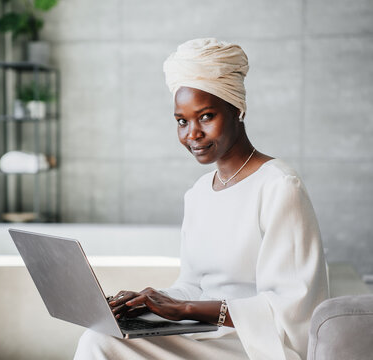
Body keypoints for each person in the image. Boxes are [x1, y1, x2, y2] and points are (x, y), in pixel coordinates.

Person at [74, 38, 329, 360]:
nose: (192, 133)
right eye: (182, 121)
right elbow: (193, 285)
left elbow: (294, 308)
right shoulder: (198, 193)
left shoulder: (279, 186)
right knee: (99, 338)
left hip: (256, 343)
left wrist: (187, 308)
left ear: (237, 110)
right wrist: (150, 299)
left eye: (206, 116)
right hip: (203, 333)